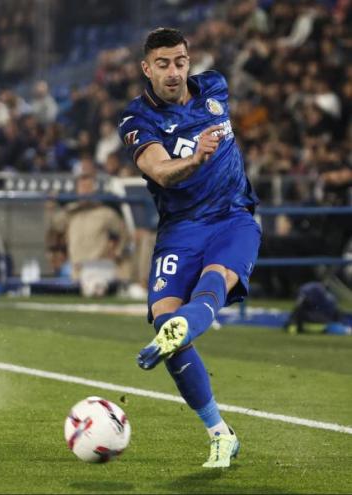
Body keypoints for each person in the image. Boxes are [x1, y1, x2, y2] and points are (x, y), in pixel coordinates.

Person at [118, 28, 261, 468]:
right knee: (164, 319)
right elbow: (159, 171)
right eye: (163, 64)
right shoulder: (136, 119)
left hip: (233, 217)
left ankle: (184, 325)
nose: (174, 71)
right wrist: (195, 159)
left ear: (188, 61)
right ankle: (220, 433)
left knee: (214, 280)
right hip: (180, 228)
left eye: (180, 61)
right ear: (147, 68)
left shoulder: (215, 87)